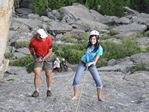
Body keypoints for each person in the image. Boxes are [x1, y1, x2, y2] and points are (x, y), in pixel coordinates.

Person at [72, 30, 103, 101]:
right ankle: (75, 96)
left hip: (91, 64)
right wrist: (86, 63)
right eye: (91, 38)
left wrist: (90, 63)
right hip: (82, 63)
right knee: (76, 79)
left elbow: (95, 61)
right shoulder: (88, 44)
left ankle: (99, 97)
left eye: (94, 39)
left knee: (98, 80)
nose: (92, 40)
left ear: (97, 39)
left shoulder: (99, 48)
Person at [29, 29, 53, 97]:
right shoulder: (33, 41)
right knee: (37, 73)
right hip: (38, 57)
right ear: (38, 36)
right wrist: (35, 57)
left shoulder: (48, 39)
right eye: (42, 38)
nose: (44, 39)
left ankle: (49, 90)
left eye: (44, 37)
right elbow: (31, 49)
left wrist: (43, 59)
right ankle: (36, 91)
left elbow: (50, 51)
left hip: (47, 57)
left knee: (48, 74)